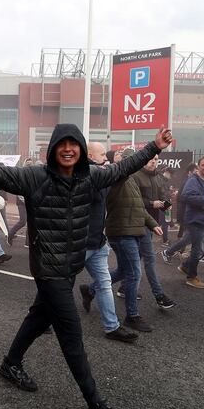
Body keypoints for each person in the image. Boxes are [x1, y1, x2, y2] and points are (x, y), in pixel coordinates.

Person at [0, 122, 173, 409]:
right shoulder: (35, 177)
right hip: (48, 270)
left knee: (38, 317)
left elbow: (123, 168)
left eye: (73, 144)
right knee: (71, 337)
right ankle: (97, 408)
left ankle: (11, 363)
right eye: (61, 144)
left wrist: (154, 146)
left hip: (70, 267)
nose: (67, 149)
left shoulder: (91, 177)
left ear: (80, 148)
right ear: (53, 148)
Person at [106, 148, 175, 332]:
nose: (152, 162)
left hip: (135, 228)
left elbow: (138, 207)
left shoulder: (131, 180)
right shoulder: (118, 178)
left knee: (124, 270)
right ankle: (132, 315)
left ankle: (90, 290)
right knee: (135, 272)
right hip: (123, 231)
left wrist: (153, 223)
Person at [77, 142, 139, 343]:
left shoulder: (100, 172)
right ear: (90, 155)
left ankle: (112, 327)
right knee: (57, 285)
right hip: (80, 244)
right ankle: (39, 320)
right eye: (102, 154)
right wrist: (114, 172)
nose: (106, 157)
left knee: (104, 285)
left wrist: (117, 171)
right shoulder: (85, 174)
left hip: (97, 242)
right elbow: (100, 191)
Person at [178, 156, 204, 289]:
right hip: (195, 219)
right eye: (203, 165)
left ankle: (185, 266)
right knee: (198, 249)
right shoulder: (193, 180)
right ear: (199, 166)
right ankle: (191, 277)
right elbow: (185, 197)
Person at [160, 162, 199, 264]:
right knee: (165, 222)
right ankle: (167, 245)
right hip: (165, 205)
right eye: (195, 171)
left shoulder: (189, 181)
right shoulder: (163, 180)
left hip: (169, 205)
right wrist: (168, 205)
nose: (170, 176)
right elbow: (162, 194)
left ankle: (177, 251)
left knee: (171, 224)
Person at [7, 157, 34, 247]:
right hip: (22, 202)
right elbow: (19, 191)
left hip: (29, 202)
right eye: (28, 164)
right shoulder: (21, 175)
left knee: (31, 221)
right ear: (25, 165)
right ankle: (10, 234)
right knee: (23, 221)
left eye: (31, 164)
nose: (29, 165)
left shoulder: (32, 175)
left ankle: (27, 242)